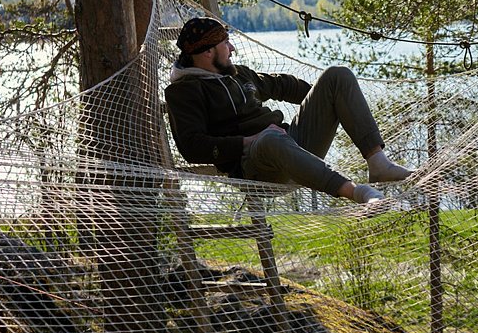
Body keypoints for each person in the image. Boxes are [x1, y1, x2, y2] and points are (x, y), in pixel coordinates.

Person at [165, 16, 411, 204]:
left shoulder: (238, 74)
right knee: (270, 139)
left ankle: (378, 164)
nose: (232, 49)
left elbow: (282, 85)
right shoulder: (183, 92)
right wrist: (250, 141)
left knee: (337, 76)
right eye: (225, 43)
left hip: (292, 144)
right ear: (208, 52)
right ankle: (357, 192)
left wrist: (331, 100)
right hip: (258, 170)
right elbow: (192, 147)